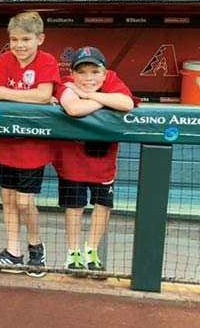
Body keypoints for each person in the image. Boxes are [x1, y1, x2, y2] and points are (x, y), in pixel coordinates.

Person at [0, 11, 60, 276]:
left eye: (25, 39)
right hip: (6, 142)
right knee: (7, 199)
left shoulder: (47, 61)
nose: (19, 45)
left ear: (40, 39)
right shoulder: (5, 60)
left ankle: (36, 249)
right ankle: (13, 252)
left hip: (34, 146)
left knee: (25, 202)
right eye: (14, 39)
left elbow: (42, 95)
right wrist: (22, 96)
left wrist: (8, 93)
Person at [53, 46, 136, 271]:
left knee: (103, 205)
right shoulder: (65, 83)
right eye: (81, 72)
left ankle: (91, 250)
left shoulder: (111, 80)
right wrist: (105, 101)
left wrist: (88, 94)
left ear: (104, 72)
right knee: (74, 207)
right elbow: (73, 108)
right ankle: (73, 253)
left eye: (94, 72)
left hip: (103, 162)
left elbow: (126, 103)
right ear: (72, 73)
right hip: (72, 162)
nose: (88, 78)